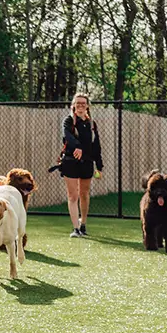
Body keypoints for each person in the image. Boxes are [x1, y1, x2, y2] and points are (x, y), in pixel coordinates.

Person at [60, 94, 103, 238]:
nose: (80, 106)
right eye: (77, 103)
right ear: (73, 105)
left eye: (83, 104)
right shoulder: (69, 120)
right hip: (70, 162)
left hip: (87, 162)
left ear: (87, 106)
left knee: (84, 194)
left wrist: (99, 165)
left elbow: (96, 145)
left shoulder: (92, 124)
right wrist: (77, 147)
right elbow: (67, 136)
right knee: (73, 196)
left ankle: (83, 223)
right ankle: (75, 228)